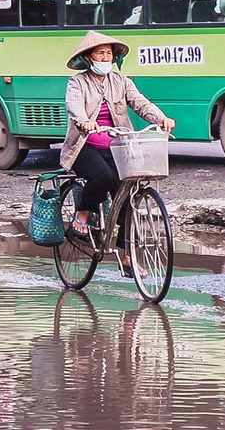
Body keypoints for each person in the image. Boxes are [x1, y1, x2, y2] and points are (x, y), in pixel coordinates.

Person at [61, 30, 175, 276]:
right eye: (100, 53)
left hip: (120, 146)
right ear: (89, 58)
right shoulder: (77, 83)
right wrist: (84, 123)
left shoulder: (121, 81)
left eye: (108, 54)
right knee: (101, 176)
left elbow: (140, 103)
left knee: (128, 194)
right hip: (85, 146)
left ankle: (127, 257)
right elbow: (74, 107)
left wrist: (161, 118)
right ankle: (81, 215)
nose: (105, 58)